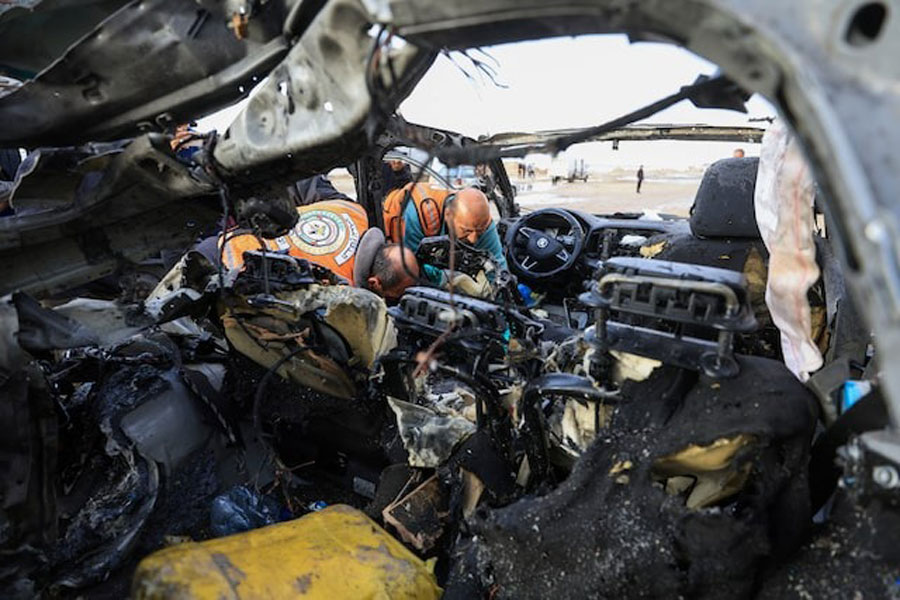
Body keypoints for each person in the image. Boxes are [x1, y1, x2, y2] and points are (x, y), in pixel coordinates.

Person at [218, 198, 418, 300]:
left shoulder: (354, 211)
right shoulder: (339, 285)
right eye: (394, 294)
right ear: (374, 283)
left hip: (229, 232)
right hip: (224, 267)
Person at [383, 184, 507, 271]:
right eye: (466, 231)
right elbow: (412, 269)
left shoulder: (480, 220)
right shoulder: (417, 216)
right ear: (448, 215)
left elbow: (498, 264)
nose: (473, 239)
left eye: (479, 231)